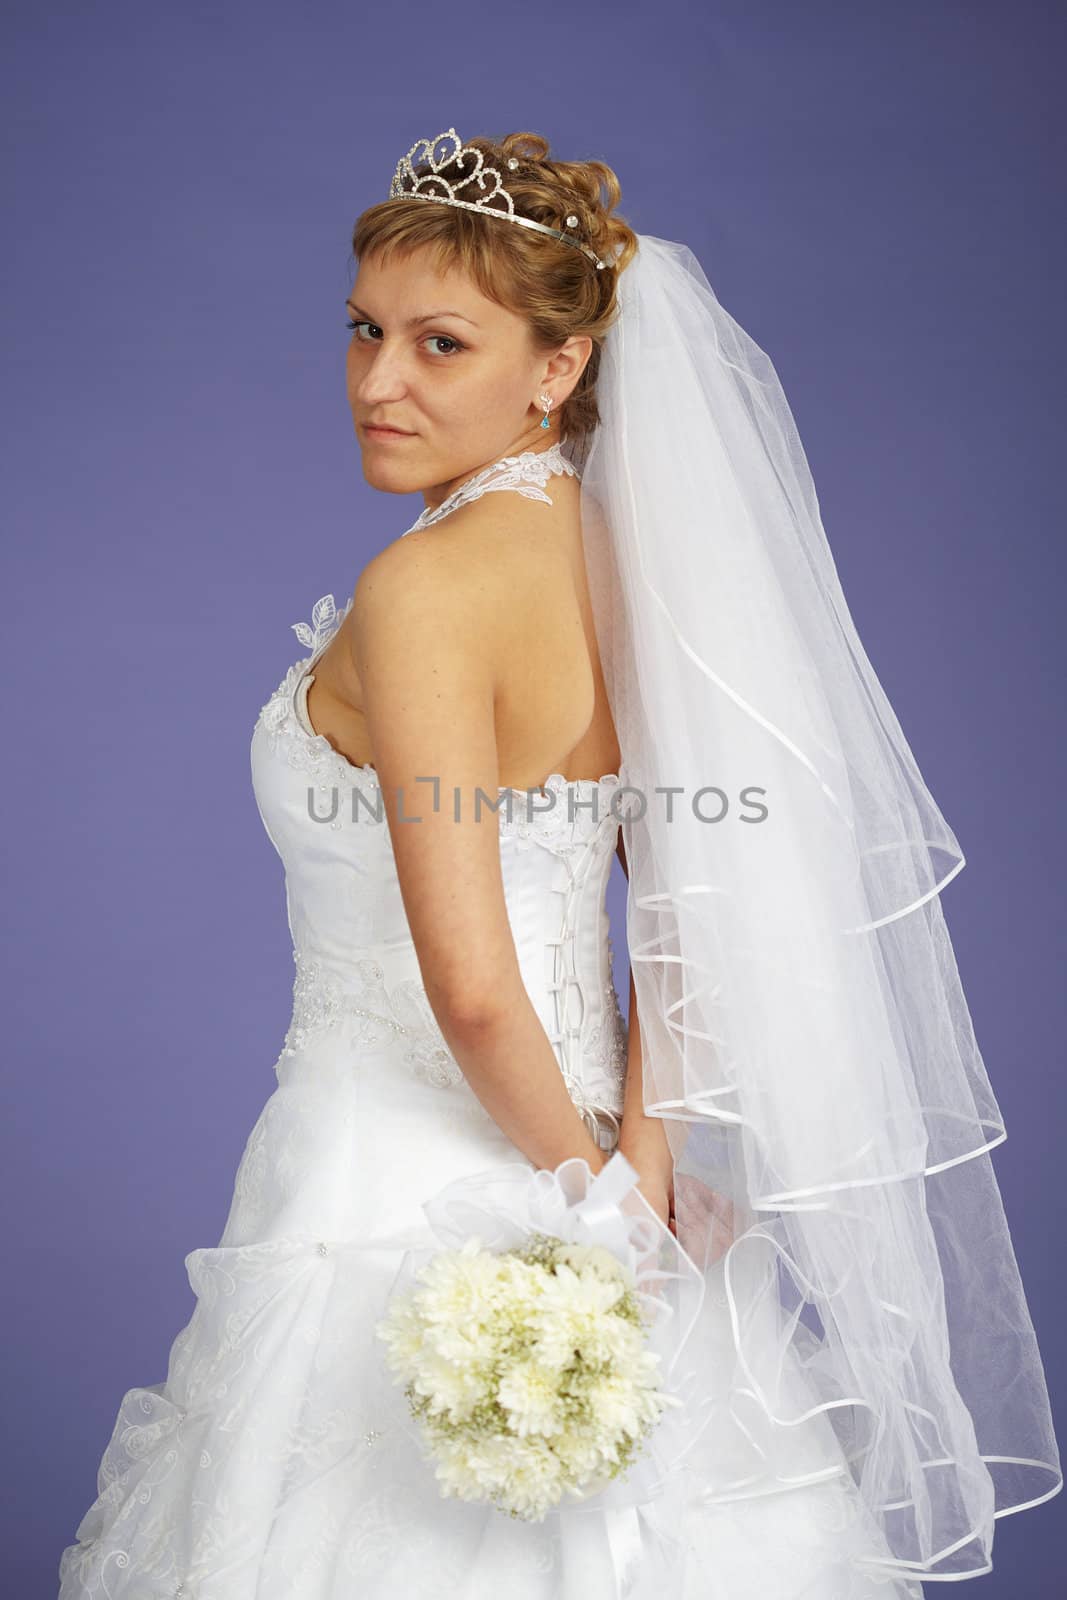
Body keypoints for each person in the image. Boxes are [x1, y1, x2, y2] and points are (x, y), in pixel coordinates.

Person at [58, 128, 1060, 1598]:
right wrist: (642, 1188)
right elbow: (691, 913)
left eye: (439, 343)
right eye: (364, 331)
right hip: (599, 1163)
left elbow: (470, 991)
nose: (376, 381)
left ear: (557, 367)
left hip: (400, 1182)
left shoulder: (428, 592)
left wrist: (591, 1210)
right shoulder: (637, 566)